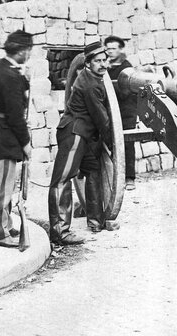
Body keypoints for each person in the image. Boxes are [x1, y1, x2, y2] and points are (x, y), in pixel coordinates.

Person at [49, 41, 116, 245]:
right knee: (61, 179)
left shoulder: (94, 78)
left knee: (94, 169)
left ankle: (96, 221)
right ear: (87, 63)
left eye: (105, 60)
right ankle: (60, 231)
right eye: (98, 61)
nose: (103, 64)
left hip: (84, 134)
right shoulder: (90, 84)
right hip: (74, 133)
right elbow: (103, 119)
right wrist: (113, 146)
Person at [0, 31, 34, 248]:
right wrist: (26, 143)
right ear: (21, 51)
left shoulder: (0, 67)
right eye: (28, 50)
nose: (29, 54)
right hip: (3, 136)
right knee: (0, 188)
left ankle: (5, 223)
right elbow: (14, 116)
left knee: (5, 186)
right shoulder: (9, 76)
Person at [104, 35, 138, 191]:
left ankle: (130, 178)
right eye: (108, 48)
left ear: (121, 49)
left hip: (126, 111)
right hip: (110, 111)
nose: (110, 51)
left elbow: (125, 92)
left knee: (128, 142)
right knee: (110, 142)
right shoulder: (106, 66)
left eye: (113, 48)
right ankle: (114, 176)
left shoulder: (126, 68)